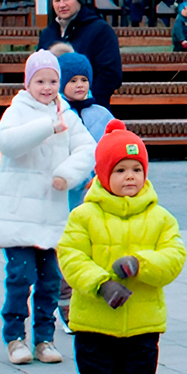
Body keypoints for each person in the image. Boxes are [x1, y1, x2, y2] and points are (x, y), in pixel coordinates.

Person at [58, 120, 187, 374]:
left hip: (143, 326)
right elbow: (70, 256)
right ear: (103, 173)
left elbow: (174, 256)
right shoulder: (84, 215)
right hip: (95, 325)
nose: (129, 177)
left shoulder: (160, 217)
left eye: (136, 170)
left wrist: (140, 265)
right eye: (120, 170)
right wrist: (101, 284)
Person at [0, 50, 96, 365]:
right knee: (20, 276)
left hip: (50, 214)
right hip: (18, 214)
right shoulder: (18, 110)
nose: (47, 87)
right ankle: (14, 337)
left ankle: (44, 339)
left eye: (52, 81)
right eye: (40, 81)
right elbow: (5, 142)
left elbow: (87, 148)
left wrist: (66, 175)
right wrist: (47, 126)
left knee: (49, 278)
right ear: (28, 82)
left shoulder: (66, 114)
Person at [56, 50, 115, 329]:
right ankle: (65, 306)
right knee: (69, 250)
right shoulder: (57, 114)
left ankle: (92, 299)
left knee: (94, 249)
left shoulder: (100, 113)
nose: (80, 85)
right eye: (72, 80)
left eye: (84, 79)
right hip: (66, 196)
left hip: (95, 192)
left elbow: (111, 147)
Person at [38, 0, 123, 110]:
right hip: (50, 110)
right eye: (57, 0)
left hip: (89, 109)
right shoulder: (47, 34)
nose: (62, 5)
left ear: (79, 0)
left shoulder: (100, 30)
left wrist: (83, 98)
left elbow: (111, 75)